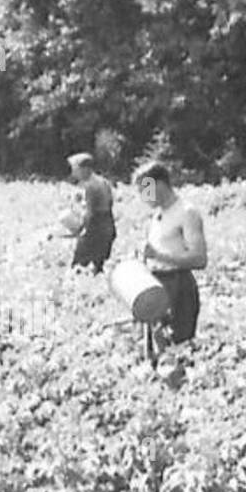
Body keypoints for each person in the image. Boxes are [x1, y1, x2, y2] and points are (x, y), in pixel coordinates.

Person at [134, 159, 207, 359]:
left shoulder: (186, 212)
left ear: (159, 184)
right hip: (155, 285)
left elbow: (199, 258)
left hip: (178, 285)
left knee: (178, 348)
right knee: (155, 349)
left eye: (145, 189)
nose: (143, 196)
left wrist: (159, 256)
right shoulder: (158, 214)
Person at [67, 152, 116, 273]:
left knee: (77, 267)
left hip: (95, 230)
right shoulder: (103, 181)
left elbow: (90, 213)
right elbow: (109, 204)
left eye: (75, 169)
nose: (73, 172)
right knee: (98, 268)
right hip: (108, 227)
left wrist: (80, 228)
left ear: (84, 169)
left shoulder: (90, 186)